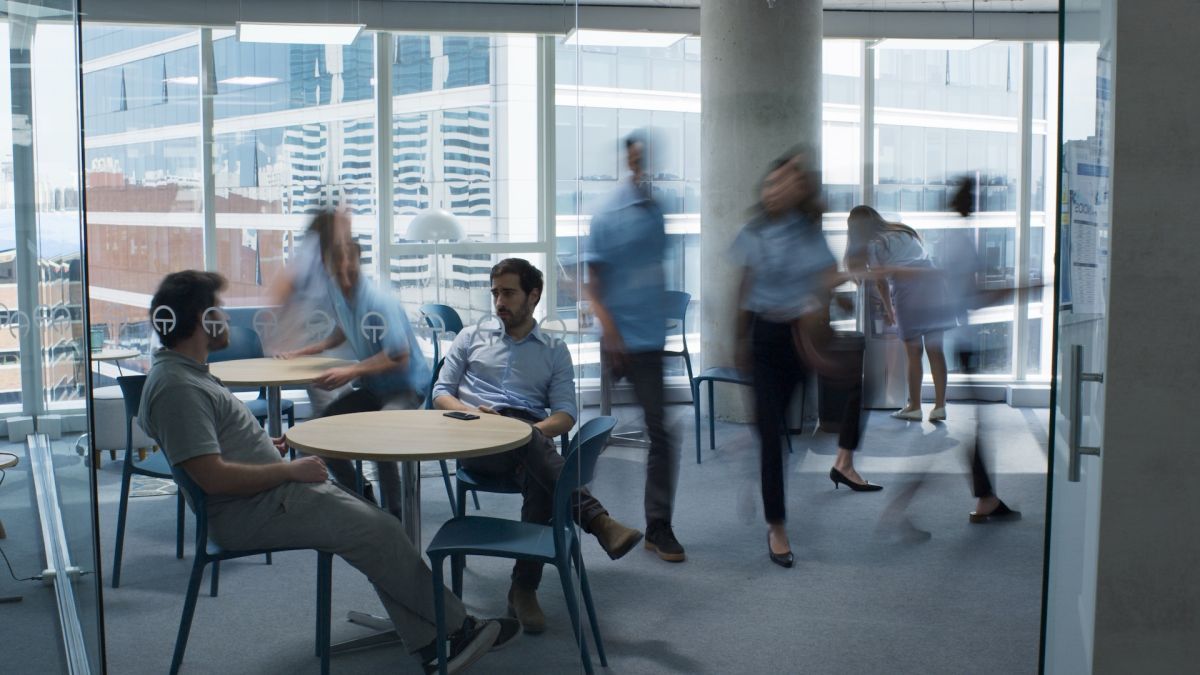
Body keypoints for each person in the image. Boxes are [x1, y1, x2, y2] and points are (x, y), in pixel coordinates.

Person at [139, 270, 515, 675]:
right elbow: (211, 477)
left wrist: (268, 449)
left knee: (373, 531)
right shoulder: (179, 388)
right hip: (253, 510)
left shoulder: (186, 375)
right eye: (221, 312)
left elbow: (212, 450)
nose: (227, 320)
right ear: (203, 319)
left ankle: (432, 644)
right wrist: (288, 472)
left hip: (267, 497)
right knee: (381, 532)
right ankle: (458, 629)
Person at [433, 258, 643, 634]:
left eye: (509, 293)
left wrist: (524, 433)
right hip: (476, 439)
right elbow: (440, 394)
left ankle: (523, 587)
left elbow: (565, 415)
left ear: (533, 296)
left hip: (527, 438)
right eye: (495, 292)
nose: (499, 301)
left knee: (537, 464)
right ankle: (596, 519)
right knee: (539, 455)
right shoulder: (470, 337)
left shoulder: (553, 350)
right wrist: (475, 418)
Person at [733, 147, 881, 570]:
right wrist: (739, 343)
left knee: (799, 425)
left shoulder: (808, 232)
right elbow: (742, 292)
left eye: (784, 182)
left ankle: (839, 461)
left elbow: (822, 279)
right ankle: (776, 524)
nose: (774, 189)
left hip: (801, 339)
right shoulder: (754, 232)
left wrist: (838, 297)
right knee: (771, 437)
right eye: (770, 182)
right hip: (764, 337)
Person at [584, 131, 684, 563]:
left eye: (648, 158)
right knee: (599, 432)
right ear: (628, 162)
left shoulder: (657, 211)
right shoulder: (608, 214)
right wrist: (612, 335)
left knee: (659, 432)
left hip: (650, 339)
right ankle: (590, 517)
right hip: (621, 340)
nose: (643, 165)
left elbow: (655, 269)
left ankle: (658, 527)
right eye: (637, 158)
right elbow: (594, 285)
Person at [279, 239, 431, 519]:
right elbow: (342, 331)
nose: (339, 266)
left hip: (405, 388)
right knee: (321, 431)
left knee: (381, 435)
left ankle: (396, 513)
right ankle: (361, 494)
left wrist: (351, 371)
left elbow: (399, 355)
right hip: (374, 387)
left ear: (357, 260)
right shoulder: (338, 293)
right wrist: (305, 351)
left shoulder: (378, 300)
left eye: (344, 259)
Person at [945, 176, 1020, 523]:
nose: (979, 202)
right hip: (967, 341)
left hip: (963, 339)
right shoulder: (961, 241)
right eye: (976, 196)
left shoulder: (956, 238)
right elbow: (972, 297)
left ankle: (986, 497)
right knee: (978, 426)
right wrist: (1021, 289)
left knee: (979, 424)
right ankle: (985, 498)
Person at [845, 205, 955, 422]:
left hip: (909, 291)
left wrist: (889, 309)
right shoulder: (903, 231)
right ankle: (940, 406)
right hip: (935, 287)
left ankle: (914, 407)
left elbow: (881, 282)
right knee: (936, 350)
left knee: (914, 353)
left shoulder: (873, 245)